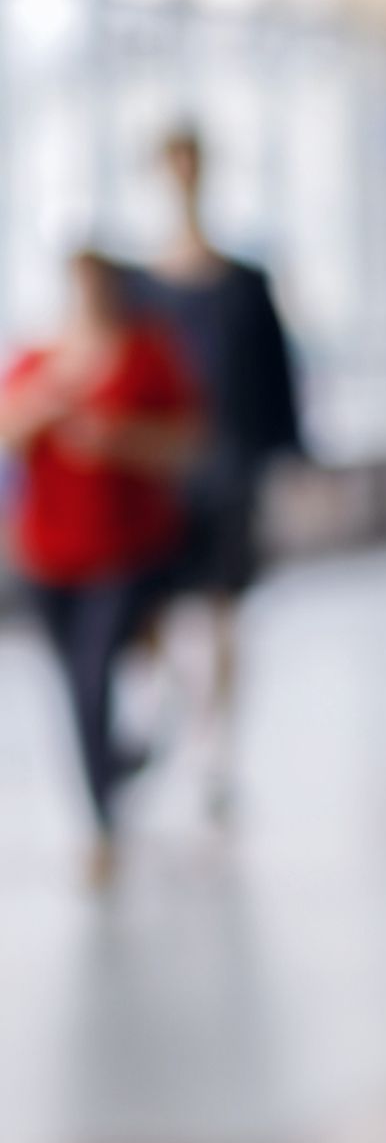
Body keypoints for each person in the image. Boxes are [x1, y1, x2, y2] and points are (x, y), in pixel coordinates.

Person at [1, 253, 200, 885]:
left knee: (93, 679)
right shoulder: (38, 360)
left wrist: (115, 438)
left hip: (125, 551)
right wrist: (44, 410)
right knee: (77, 689)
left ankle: (102, 822)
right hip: (50, 552)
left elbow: (188, 443)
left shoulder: (147, 355)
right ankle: (111, 772)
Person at [138, 126, 304, 807]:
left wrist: (287, 458)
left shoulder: (243, 282)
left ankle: (218, 749)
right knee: (151, 613)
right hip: (162, 473)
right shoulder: (144, 288)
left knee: (225, 612)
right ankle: (184, 708)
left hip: (230, 463)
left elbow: (276, 378)